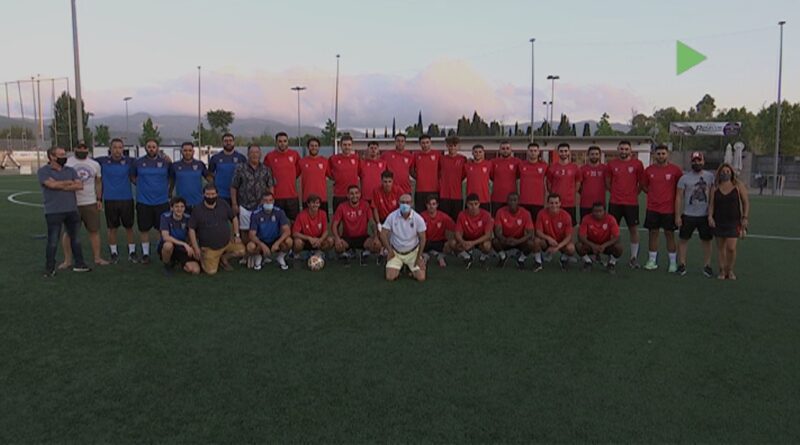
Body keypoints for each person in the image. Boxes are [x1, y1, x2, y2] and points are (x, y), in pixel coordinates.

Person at [38, 147, 91, 277]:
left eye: (64, 154)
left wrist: (59, 185)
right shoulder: (43, 171)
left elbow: (79, 186)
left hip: (71, 209)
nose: (64, 157)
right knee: (53, 241)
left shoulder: (70, 170)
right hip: (53, 211)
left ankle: (79, 264)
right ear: (52, 157)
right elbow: (51, 185)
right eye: (61, 155)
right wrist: (68, 183)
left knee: (76, 239)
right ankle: (50, 268)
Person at [60, 142, 108, 268]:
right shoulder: (67, 163)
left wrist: (99, 199)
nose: (82, 150)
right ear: (75, 149)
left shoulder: (95, 164)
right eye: (79, 148)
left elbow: (98, 182)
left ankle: (97, 258)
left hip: (90, 202)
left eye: (84, 148)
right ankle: (67, 260)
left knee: (94, 231)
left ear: (88, 149)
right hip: (72, 203)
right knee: (69, 232)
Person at [641, 144, 683, 272]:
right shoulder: (648, 170)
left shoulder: (675, 170)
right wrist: (654, 195)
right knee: (653, 234)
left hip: (669, 209)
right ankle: (652, 260)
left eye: (663, 153)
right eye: (658, 154)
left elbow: (680, 188)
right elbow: (644, 186)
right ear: (654, 155)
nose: (660, 156)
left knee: (669, 235)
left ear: (667, 154)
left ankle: (672, 263)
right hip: (652, 208)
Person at [188, 184, 245, 275]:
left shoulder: (223, 204)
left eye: (213, 194)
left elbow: (234, 218)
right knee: (211, 272)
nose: (210, 197)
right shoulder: (197, 209)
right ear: (203, 195)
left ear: (217, 194)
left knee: (241, 251)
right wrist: (196, 247)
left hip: (227, 243)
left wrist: (237, 235)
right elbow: (191, 229)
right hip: (209, 248)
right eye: (208, 194)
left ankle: (223, 258)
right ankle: (204, 258)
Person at [131, 138, 172, 264]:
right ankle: (145, 254)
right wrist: (143, 186)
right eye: (149, 147)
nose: (151, 149)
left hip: (162, 201)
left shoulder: (165, 162)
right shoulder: (138, 162)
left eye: (154, 147)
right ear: (145, 148)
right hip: (144, 201)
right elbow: (132, 177)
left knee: (161, 229)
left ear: (157, 148)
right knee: (144, 229)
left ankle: (160, 251)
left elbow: (171, 177)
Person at [96, 138, 137, 263]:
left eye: (120, 147)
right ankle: (114, 253)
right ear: (110, 148)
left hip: (127, 199)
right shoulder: (102, 161)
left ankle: (132, 252)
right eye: (115, 147)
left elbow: (148, 161)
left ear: (123, 149)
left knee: (129, 227)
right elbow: (85, 161)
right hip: (110, 199)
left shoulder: (130, 161)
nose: (117, 150)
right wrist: (99, 198)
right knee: (112, 228)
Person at [675, 151, 715, 277]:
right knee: (683, 239)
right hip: (688, 214)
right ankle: (682, 264)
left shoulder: (710, 177)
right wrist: (677, 216)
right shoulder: (684, 178)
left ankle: (707, 265)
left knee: (707, 241)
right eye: (694, 161)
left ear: (703, 161)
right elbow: (679, 197)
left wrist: (711, 215)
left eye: (699, 160)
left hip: (704, 215)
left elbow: (712, 197)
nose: (697, 163)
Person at [231, 144, 276, 256]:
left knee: (260, 230)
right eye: (252, 152)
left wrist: (270, 201)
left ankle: (259, 254)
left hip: (261, 206)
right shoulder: (240, 168)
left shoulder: (266, 169)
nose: (254, 155)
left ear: (260, 154)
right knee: (245, 231)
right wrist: (234, 203)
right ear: (248, 154)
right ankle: (247, 255)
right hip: (245, 205)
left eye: (257, 152)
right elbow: (234, 186)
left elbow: (270, 186)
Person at [607, 140, 645, 268]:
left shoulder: (637, 164)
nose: (624, 151)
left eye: (626, 149)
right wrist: (615, 193)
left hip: (631, 203)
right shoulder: (611, 164)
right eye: (621, 149)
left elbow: (641, 183)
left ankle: (633, 258)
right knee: (613, 230)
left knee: (633, 229)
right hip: (615, 202)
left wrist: (633, 193)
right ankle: (613, 256)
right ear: (618, 150)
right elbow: (608, 182)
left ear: (631, 150)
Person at [708, 163, 749, 280]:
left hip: (734, 222)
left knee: (731, 248)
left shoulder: (738, 186)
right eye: (723, 171)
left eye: (727, 171)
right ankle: (722, 270)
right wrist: (710, 217)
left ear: (731, 173)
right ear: (719, 173)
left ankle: (730, 270)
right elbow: (711, 204)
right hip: (719, 221)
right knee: (721, 248)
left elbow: (746, 202)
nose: (725, 173)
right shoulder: (715, 187)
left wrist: (745, 217)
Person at [380, 193, 427, 281]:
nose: (405, 205)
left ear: (412, 203)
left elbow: (423, 239)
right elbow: (383, 234)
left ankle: (409, 267)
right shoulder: (392, 216)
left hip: (413, 252)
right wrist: (389, 251)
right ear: (398, 203)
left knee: (421, 278)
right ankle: (401, 267)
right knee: (390, 277)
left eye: (407, 202)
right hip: (396, 252)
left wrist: (418, 257)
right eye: (402, 202)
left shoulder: (418, 218)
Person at [331, 185, 381, 265]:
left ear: (360, 194)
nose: (354, 196)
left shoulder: (365, 205)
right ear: (347, 195)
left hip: (363, 238)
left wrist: (375, 236)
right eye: (351, 194)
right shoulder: (342, 206)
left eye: (356, 193)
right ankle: (347, 253)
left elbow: (372, 223)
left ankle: (364, 253)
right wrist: (337, 238)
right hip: (347, 238)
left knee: (377, 245)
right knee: (338, 247)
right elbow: (334, 225)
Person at [246, 192, 292, 270]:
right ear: (262, 202)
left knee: (289, 241)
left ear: (273, 201)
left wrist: (277, 243)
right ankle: (258, 257)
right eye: (265, 200)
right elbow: (251, 235)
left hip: (275, 239)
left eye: (270, 200)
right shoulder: (256, 214)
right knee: (250, 246)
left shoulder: (279, 212)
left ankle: (280, 257)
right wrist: (262, 245)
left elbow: (287, 231)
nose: (268, 203)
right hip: (261, 240)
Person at [492, 192, 536, 269]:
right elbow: (497, 231)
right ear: (507, 201)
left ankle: (521, 259)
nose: (512, 202)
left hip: (520, 240)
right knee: (495, 241)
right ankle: (503, 257)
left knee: (531, 243)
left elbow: (530, 233)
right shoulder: (500, 212)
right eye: (510, 200)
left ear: (519, 201)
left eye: (515, 200)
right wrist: (505, 239)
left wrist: (517, 241)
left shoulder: (526, 213)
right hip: (506, 240)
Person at [158, 196, 201, 275]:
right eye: (176, 206)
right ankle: (167, 265)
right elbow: (165, 237)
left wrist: (193, 247)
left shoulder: (188, 218)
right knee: (168, 246)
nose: (179, 209)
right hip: (170, 245)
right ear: (172, 208)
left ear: (185, 208)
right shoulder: (165, 217)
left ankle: (179, 262)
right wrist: (184, 244)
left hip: (182, 248)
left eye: (182, 206)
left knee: (195, 270)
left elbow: (192, 234)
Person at [534, 193, 576, 272]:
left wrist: (558, 247)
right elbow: (538, 231)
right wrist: (548, 238)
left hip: (560, 242)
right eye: (551, 203)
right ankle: (538, 262)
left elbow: (568, 236)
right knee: (536, 241)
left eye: (556, 203)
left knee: (571, 248)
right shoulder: (541, 213)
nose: (554, 205)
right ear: (547, 203)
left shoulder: (566, 216)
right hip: (547, 241)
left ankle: (563, 259)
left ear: (560, 203)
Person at [577, 202, 623, 274]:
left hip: (605, 245)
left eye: (600, 211)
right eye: (595, 211)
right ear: (592, 211)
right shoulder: (586, 218)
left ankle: (611, 263)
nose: (598, 213)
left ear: (604, 211)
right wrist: (593, 245)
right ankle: (588, 262)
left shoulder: (611, 219)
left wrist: (604, 245)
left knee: (619, 247)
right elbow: (581, 236)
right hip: (591, 245)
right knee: (578, 245)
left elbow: (617, 237)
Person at [264, 132, 301, 220]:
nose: (282, 143)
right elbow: (266, 174)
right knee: (277, 222)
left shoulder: (294, 154)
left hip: (292, 196)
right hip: (276, 197)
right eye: (280, 141)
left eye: (285, 141)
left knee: (294, 222)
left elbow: (298, 170)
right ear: (276, 142)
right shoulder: (270, 156)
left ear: (288, 142)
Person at [454, 193, 494, 269]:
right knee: (452, 243)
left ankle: (483, 258)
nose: (473, 207)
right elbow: (457, 233)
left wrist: (473, 243)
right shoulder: (462, 214)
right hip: (467, 239)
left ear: (479, 204)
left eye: (476, 204)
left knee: (487, 245)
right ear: (467, 204)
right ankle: (467, 257)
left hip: (479, 240)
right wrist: (463, 242)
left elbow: (488, 235)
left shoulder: (486, 215)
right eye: (471, 204)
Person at [169, 141, 210, 212]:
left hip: (198, 203)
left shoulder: (200, 164)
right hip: (181, 205)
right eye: (185, 150)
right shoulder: (175, 166)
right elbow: (171, 182)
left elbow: (209, 179)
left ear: (193, 152)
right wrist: (170, 196)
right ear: (181, 152)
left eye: (190, 150)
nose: (187, 153)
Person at [546, 142, 581, 226]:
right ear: (558, 152)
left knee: (571, 225)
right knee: (555, 224)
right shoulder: (552, 167)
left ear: (569, 152)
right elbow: (549, 184)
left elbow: (578, 184)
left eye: (565, 151)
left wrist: (571, 193)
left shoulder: (575, 167)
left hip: (570, 203)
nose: (563, 153)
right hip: (556, 203)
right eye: (561, 151)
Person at [208, 132, 247, 205]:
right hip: (220, 195)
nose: (228, 143)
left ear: (234, 142)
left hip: (237, 195)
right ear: (222, 143)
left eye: (230, 141)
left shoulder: (241, 158)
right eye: (226, 141)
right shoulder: (215, 158)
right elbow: (210, 175)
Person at [292, 194, 333, 259]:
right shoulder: (301, 215)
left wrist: (320, 240)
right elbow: (295, 233)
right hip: (306, 240)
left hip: (318, 240)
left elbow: (326, 231)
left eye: (317, 203)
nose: (315, 205)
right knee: (297, 242)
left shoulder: (323, 214)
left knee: (330, 240)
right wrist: (308, 238)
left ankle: (319, 252)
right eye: (313, 203)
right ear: (308, 204)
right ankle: (296, 255)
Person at [421, 195, 456, 268]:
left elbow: (454, 229)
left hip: (439, 242)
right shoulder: (421, 216)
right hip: (426, 242)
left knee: (452, 243)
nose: (431, 206)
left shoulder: (444, 217)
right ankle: (424, 256)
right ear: (426, 205)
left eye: (433, 204)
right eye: (429, 204)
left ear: (437, 205)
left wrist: (450, 239)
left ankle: (440, 256)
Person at [328, 134, 360, 211]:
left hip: (353, 195)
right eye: (344, 145)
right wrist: (336, 178)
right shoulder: (333, 159)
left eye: (349, 145)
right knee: (338, 217)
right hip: (339, 194)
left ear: (351, 146)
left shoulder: (356, 158)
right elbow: (328, 172)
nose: (347, 147)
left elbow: (359, 172)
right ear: (340, 146)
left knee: (352, 217)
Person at [438, 135, 467, 220]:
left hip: (457, 195)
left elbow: (464, 174)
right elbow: (438, 172)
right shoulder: (442, 159)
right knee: (444, 220)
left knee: (456, 220)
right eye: (450, 146)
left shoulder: (463, 159)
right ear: (447, 146)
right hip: (444, 195)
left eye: (455, 145)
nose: (452, 148)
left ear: (458, 146)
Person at [298, 137, 330, 213]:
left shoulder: (325, 161)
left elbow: (332, 175)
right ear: (308, 147)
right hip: (307, 198)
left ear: (319, 147)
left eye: (316, 146)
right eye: (312, 146)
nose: (314, 148)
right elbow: (294, 175)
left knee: (323, 219)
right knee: (307, 220)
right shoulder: (302, 162)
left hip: (322, 198)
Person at [490, 141, 520, 215]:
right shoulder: (493, 162)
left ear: (511, 150)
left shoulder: (517, 162)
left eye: (507, 148)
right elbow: (491, 176)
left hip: (511, 198)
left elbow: (518, 175)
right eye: (503, 148)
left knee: (511, 219)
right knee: (496, 218)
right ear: (499, 150)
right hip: (497, 197)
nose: (505, 150)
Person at [519, 142, 548, 219]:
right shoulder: (521, 165)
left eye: (535, 151)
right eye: (531, 151)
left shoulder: (544, 166)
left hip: (538, 202)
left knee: (537, 223)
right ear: (527, 152)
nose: (533, 153)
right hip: (524, 201)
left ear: (538, 152)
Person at [412, 134, 440, 212]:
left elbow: (441, 170)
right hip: (420, 190)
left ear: (430, 143)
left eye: (427, 142)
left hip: (434, 190)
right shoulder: (416, 155)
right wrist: (418, 177)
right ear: (420, 144)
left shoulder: (437, 154)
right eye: (423, 143)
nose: (425, 145)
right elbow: (411, 170)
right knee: (420, 213)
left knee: (433, 213)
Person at [579, 145, 608, 220]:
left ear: (600, 155)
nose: (594, 156)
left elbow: (608, 183)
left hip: (600, 204)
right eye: (592, 154)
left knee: (600, 225)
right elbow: (579, 186)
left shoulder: (605, 169)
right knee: (585, 224)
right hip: (585, 203)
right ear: (588, 155)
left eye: (596, 154)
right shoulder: (582, 169)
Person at [359, 141, 387, 206]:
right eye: (371, 148)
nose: (373, 150)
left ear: (378, 150)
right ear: (368, 150)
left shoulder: (384, 163)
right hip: (366, 196)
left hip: (380, 196)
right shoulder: (362, 163)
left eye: (375, 148)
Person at [464, 144, 491, 211]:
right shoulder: (467, 165)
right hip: (470, 199)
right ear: (472, 153)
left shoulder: (489, 164)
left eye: (480, 152)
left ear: (483, 153)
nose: (478, 154)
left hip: (484, 199)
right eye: (475, 152)